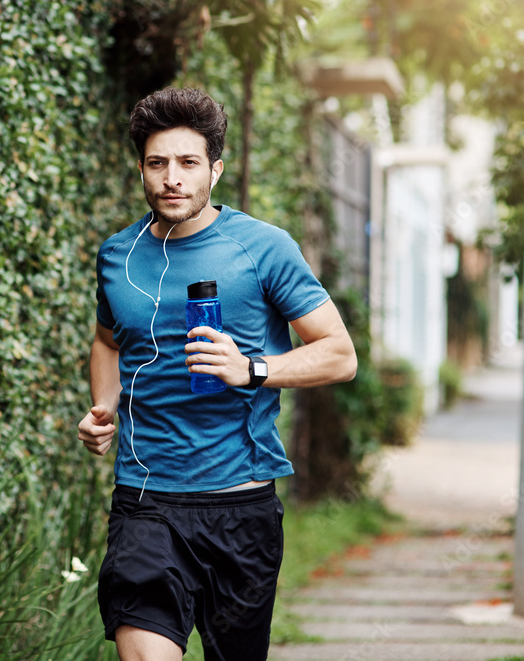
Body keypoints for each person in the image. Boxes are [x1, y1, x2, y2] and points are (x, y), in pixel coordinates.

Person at [77, 87, 357, 661]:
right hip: (145, 503)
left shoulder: (263, 248)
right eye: (157, 164)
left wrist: (251, 368)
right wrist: (103, 407)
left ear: (215, 169)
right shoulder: (117, 255)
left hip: (239, 507)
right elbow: (106, 341)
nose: (171, 178)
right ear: (141, 169)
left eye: (188, 163)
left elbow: (338, 353)